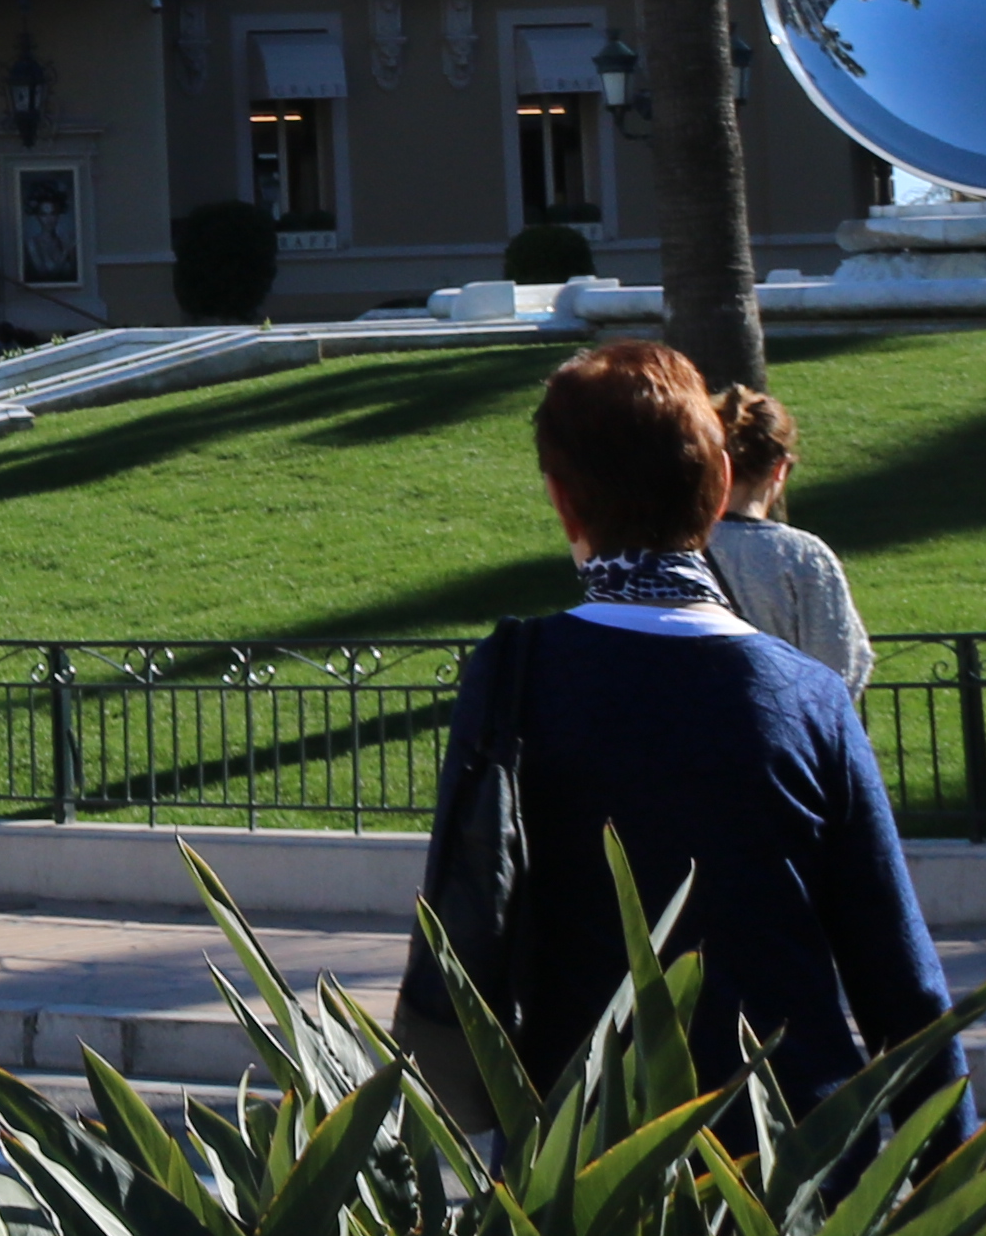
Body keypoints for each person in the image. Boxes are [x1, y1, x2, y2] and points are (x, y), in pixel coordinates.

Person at [399, 339, 947, 1110]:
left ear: (561, 499)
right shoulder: (813, 698)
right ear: (721, 483)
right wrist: (952, 1183)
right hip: (790, 1152)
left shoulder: (513, 676)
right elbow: (898, 975)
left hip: (582, 1158)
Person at [699, 384, 872, 686]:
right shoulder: (802, 555)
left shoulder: (672, 547)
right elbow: (840, 664)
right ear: (779, 469)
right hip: (783, 721)